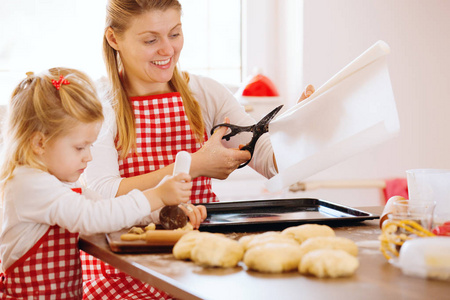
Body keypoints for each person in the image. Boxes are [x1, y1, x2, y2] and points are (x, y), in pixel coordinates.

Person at [82, 0, 314, 298]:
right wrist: (194, 165)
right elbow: (103, 194)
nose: (167, 50)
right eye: (151, 40)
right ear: (114, 38)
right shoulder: (101, 105)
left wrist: (304, 126)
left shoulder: (204, 94)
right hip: (126, 266)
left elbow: (270, 161)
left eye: (175, 34)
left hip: (200, 260)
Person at [0, 68, 195, 299]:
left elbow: (111, 211)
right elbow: (95, 217)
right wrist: (156, 196)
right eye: (80, 147)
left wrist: (160, 214)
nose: (88, 157)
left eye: (90, 146)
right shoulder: (29, 185)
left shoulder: (60, 184)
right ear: (39, 143)